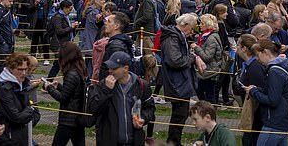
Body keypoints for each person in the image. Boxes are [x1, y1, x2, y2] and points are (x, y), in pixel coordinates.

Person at [86, 51, 155, 146]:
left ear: (125, 68)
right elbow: (93, 109)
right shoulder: (103, 85)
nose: (110, 71)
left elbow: (150, 108)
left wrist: (143, 118)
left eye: (114, 68)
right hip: (109, 141)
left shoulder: (141, 85)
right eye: (109, 67)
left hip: (134, 141)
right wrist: (107, 91)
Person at [161, 12, 206, 146]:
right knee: (179, 114)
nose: (192, 32)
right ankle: (173, 142)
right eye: (192, 29)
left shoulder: (178, 36)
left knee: (181, 113)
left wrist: (194, 57)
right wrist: (193, 58)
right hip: (176, 82)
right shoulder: (172, 38)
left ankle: (174, 141)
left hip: (181, 81)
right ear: (184, 25)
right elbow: (175, 61)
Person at [241, 39, 288, 146]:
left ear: (265, 52)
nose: (257, 59)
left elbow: (273, 100)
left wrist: (254, 92)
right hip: (283, 122)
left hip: (274, 124)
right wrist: (258, 89)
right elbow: (277, 92)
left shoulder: (274, 71)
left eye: (257, 55)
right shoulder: (283, 66)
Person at [43, 42, 88, 146]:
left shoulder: (71, 74)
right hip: (78, 117)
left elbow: (63, 97)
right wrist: (58, 86)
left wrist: (49, 88)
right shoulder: (79, 70)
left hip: (68, 119)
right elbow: (73, 93)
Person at [0, 53, 41, 146]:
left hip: (22, 135)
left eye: (25, 69)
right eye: (20, 69)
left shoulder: (22, 85)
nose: (23, 73)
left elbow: (34, 115)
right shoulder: (4, 90)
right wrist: (30, 110)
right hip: (9, 138)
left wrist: (30, 112)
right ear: (11, 69)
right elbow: (17, 118)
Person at [196, 13, 226, 103]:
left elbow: (207, 57)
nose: (200, 25)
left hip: (210, 71)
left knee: (209, 94)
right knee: (201, 91)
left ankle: (209, 112)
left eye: (202, 23)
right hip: (206, 71)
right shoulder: (206, 36)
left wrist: (196, 48)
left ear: (208, 24)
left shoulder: (211, 38)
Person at [46, 0, 78, 78]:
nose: (70, 11)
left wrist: (73, 28)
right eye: (69, 9)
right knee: (60, 65)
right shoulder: (58, 17)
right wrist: (71, 27)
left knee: (59, 65)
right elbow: (59, 31)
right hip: (59, 44)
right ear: (64, 8)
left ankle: (49, 82)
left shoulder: (64, 16)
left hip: (65, 44)